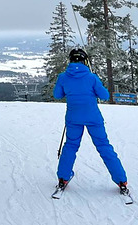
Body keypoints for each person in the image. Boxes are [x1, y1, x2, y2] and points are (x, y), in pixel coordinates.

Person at [53, 48, 128, 195]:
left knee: (70, 146)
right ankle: (121, 180)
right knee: (104, 146)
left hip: (73, 118)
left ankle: (63, 178)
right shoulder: (91, 77)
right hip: (93, 117)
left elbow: (57, 95)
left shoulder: (63, 77)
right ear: (85, 61)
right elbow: (105, 96)